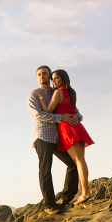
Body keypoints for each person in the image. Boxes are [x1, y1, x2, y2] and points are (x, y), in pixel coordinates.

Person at [28, 65, 83, 215]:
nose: (42, 76)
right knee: (45, 170)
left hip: (60, 138)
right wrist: (60, 118)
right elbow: (38, 115)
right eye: (39, 74)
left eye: (45, 74)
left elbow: (74, 109)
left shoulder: (59, 92)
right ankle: (50, 205)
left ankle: (66, 197)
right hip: (43, 137)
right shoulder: (34, 94)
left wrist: (78, 117)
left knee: (73, 164)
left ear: (50, 76)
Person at [35, 69, 95, 204]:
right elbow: (74, 110)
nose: (54, 81)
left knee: (78, 161)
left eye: (56, 78)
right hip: (77, 126)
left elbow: (48, 110)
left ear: (63, 79)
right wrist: (78, 118)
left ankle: (85, 192)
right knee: (80, 161)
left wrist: (40, 97)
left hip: (67, 128)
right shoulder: (72, 92)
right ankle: (80, 192)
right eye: (53, 79)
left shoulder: (58, 92)